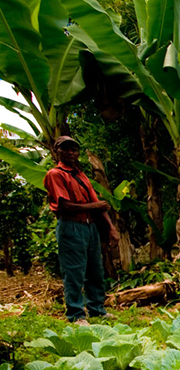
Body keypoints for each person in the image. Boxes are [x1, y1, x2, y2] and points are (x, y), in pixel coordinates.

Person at [44, 135, 119, 324]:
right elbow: (65, 206)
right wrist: (96, 207)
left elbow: (96, 203)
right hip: (71, 225)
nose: (70, 152)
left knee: (95, 271)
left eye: (74, 149)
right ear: (57, 151)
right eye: (65, 149)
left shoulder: (80, 174)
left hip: (89, 227)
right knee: (74, 271)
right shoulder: (56, 174)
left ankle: (97, 309)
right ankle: (76, 314)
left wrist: (110, 228)